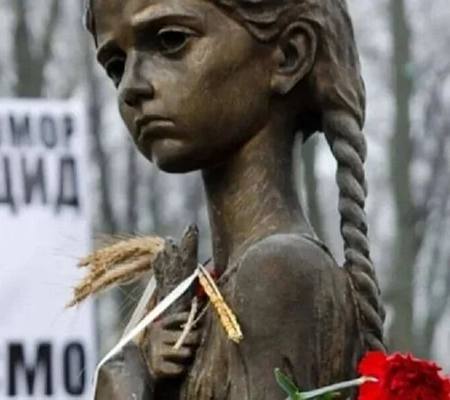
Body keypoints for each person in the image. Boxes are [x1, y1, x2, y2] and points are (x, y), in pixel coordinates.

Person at [86, 0, 386, 398]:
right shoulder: (217, 285)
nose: (130, 87)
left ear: (289, 55)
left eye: (171, 40)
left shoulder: (278, 270)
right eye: (116, 66)